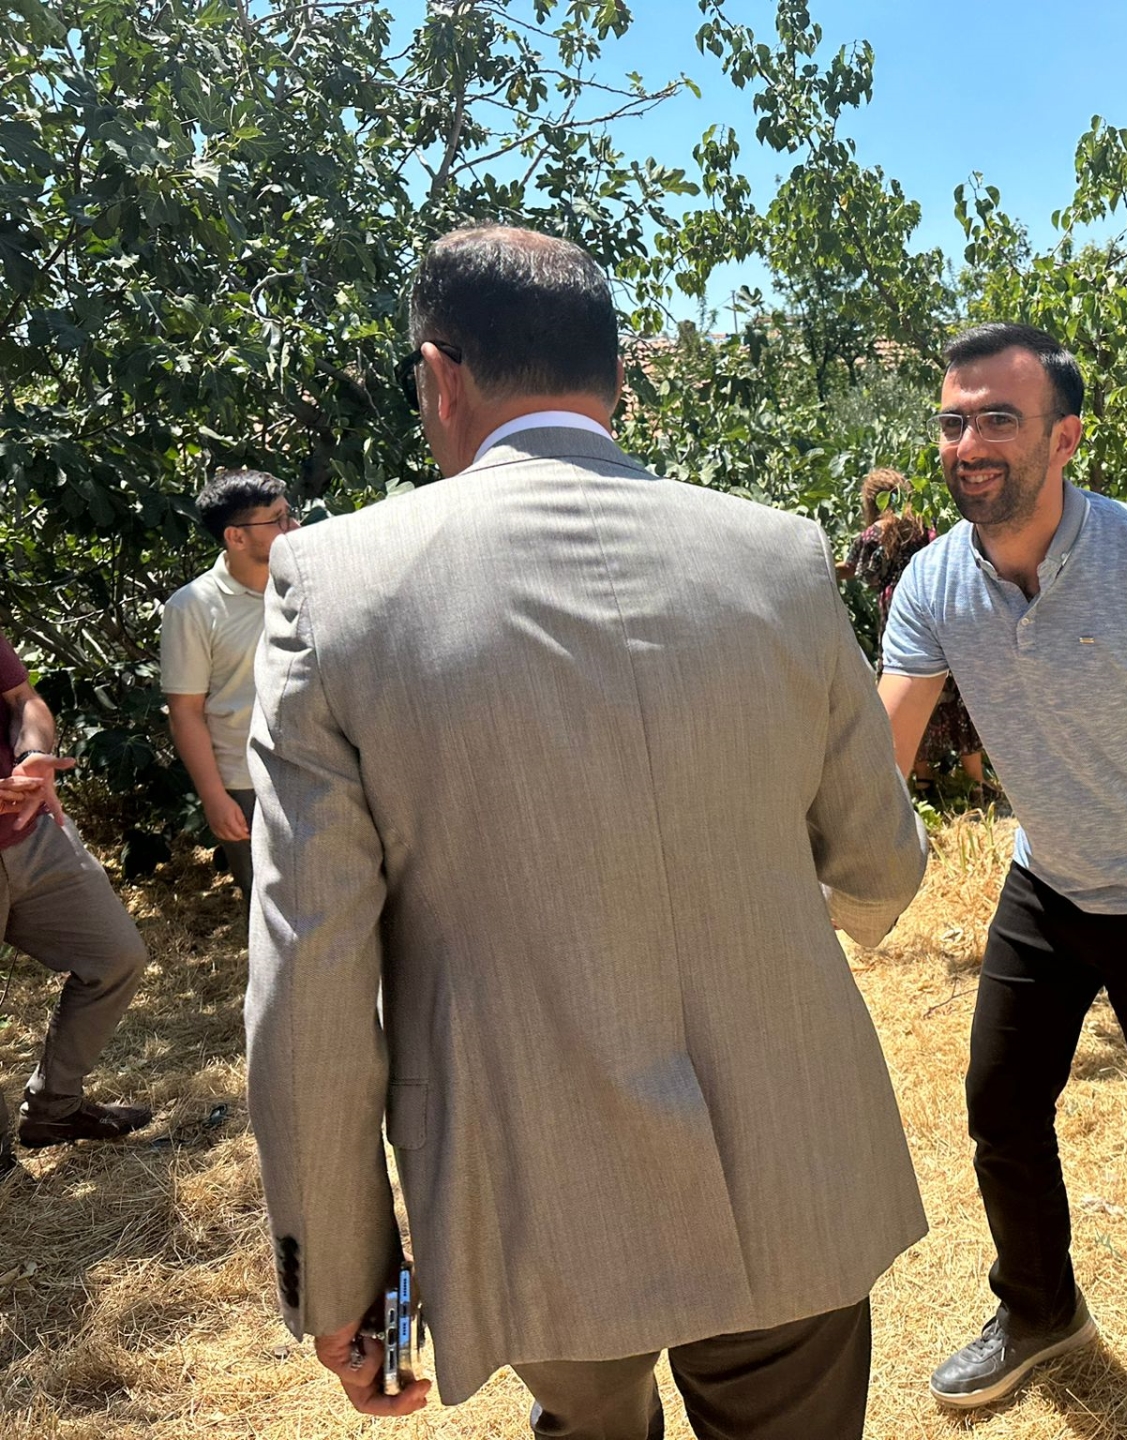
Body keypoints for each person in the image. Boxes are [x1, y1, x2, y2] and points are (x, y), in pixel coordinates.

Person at [243, 225, 929, 1440]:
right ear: (616, 376)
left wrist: (352, 1288)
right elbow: (879, 861)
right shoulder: (777, 555)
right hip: (797, 1156)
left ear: (440, 377)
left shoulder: (332, 587)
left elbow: (311, 985)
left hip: (532, 1196)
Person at [879, 324, 1127, 1440]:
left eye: (998, 420)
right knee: (1000, 1106)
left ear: (1065, 439)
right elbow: (881, 755)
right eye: (953, 421)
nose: (968, 444)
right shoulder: (935, 582)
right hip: (1049, 883)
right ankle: (1040, 1311)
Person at [0, 628, 152, 1173]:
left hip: (33, 834)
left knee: (115, 957)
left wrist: (35, 753)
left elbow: (24, 700)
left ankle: (54, 1110)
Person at [161, 469, 301, 897]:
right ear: (236, 537)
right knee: (270, 904)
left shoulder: (306, 582)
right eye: (277, 519)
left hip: (319, 763)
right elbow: (185, 712)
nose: (293, 526)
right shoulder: (192, 607)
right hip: (246, 782)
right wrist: (214, 797)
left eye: (289, 513)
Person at [843, 468, 988, 797]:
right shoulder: (923, 524)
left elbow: (860, 571)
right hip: (931, 602)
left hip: (899, 608)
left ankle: (924, 782)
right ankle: (977, 783)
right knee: (951, 689)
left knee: (907, 683)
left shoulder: (875, 532)